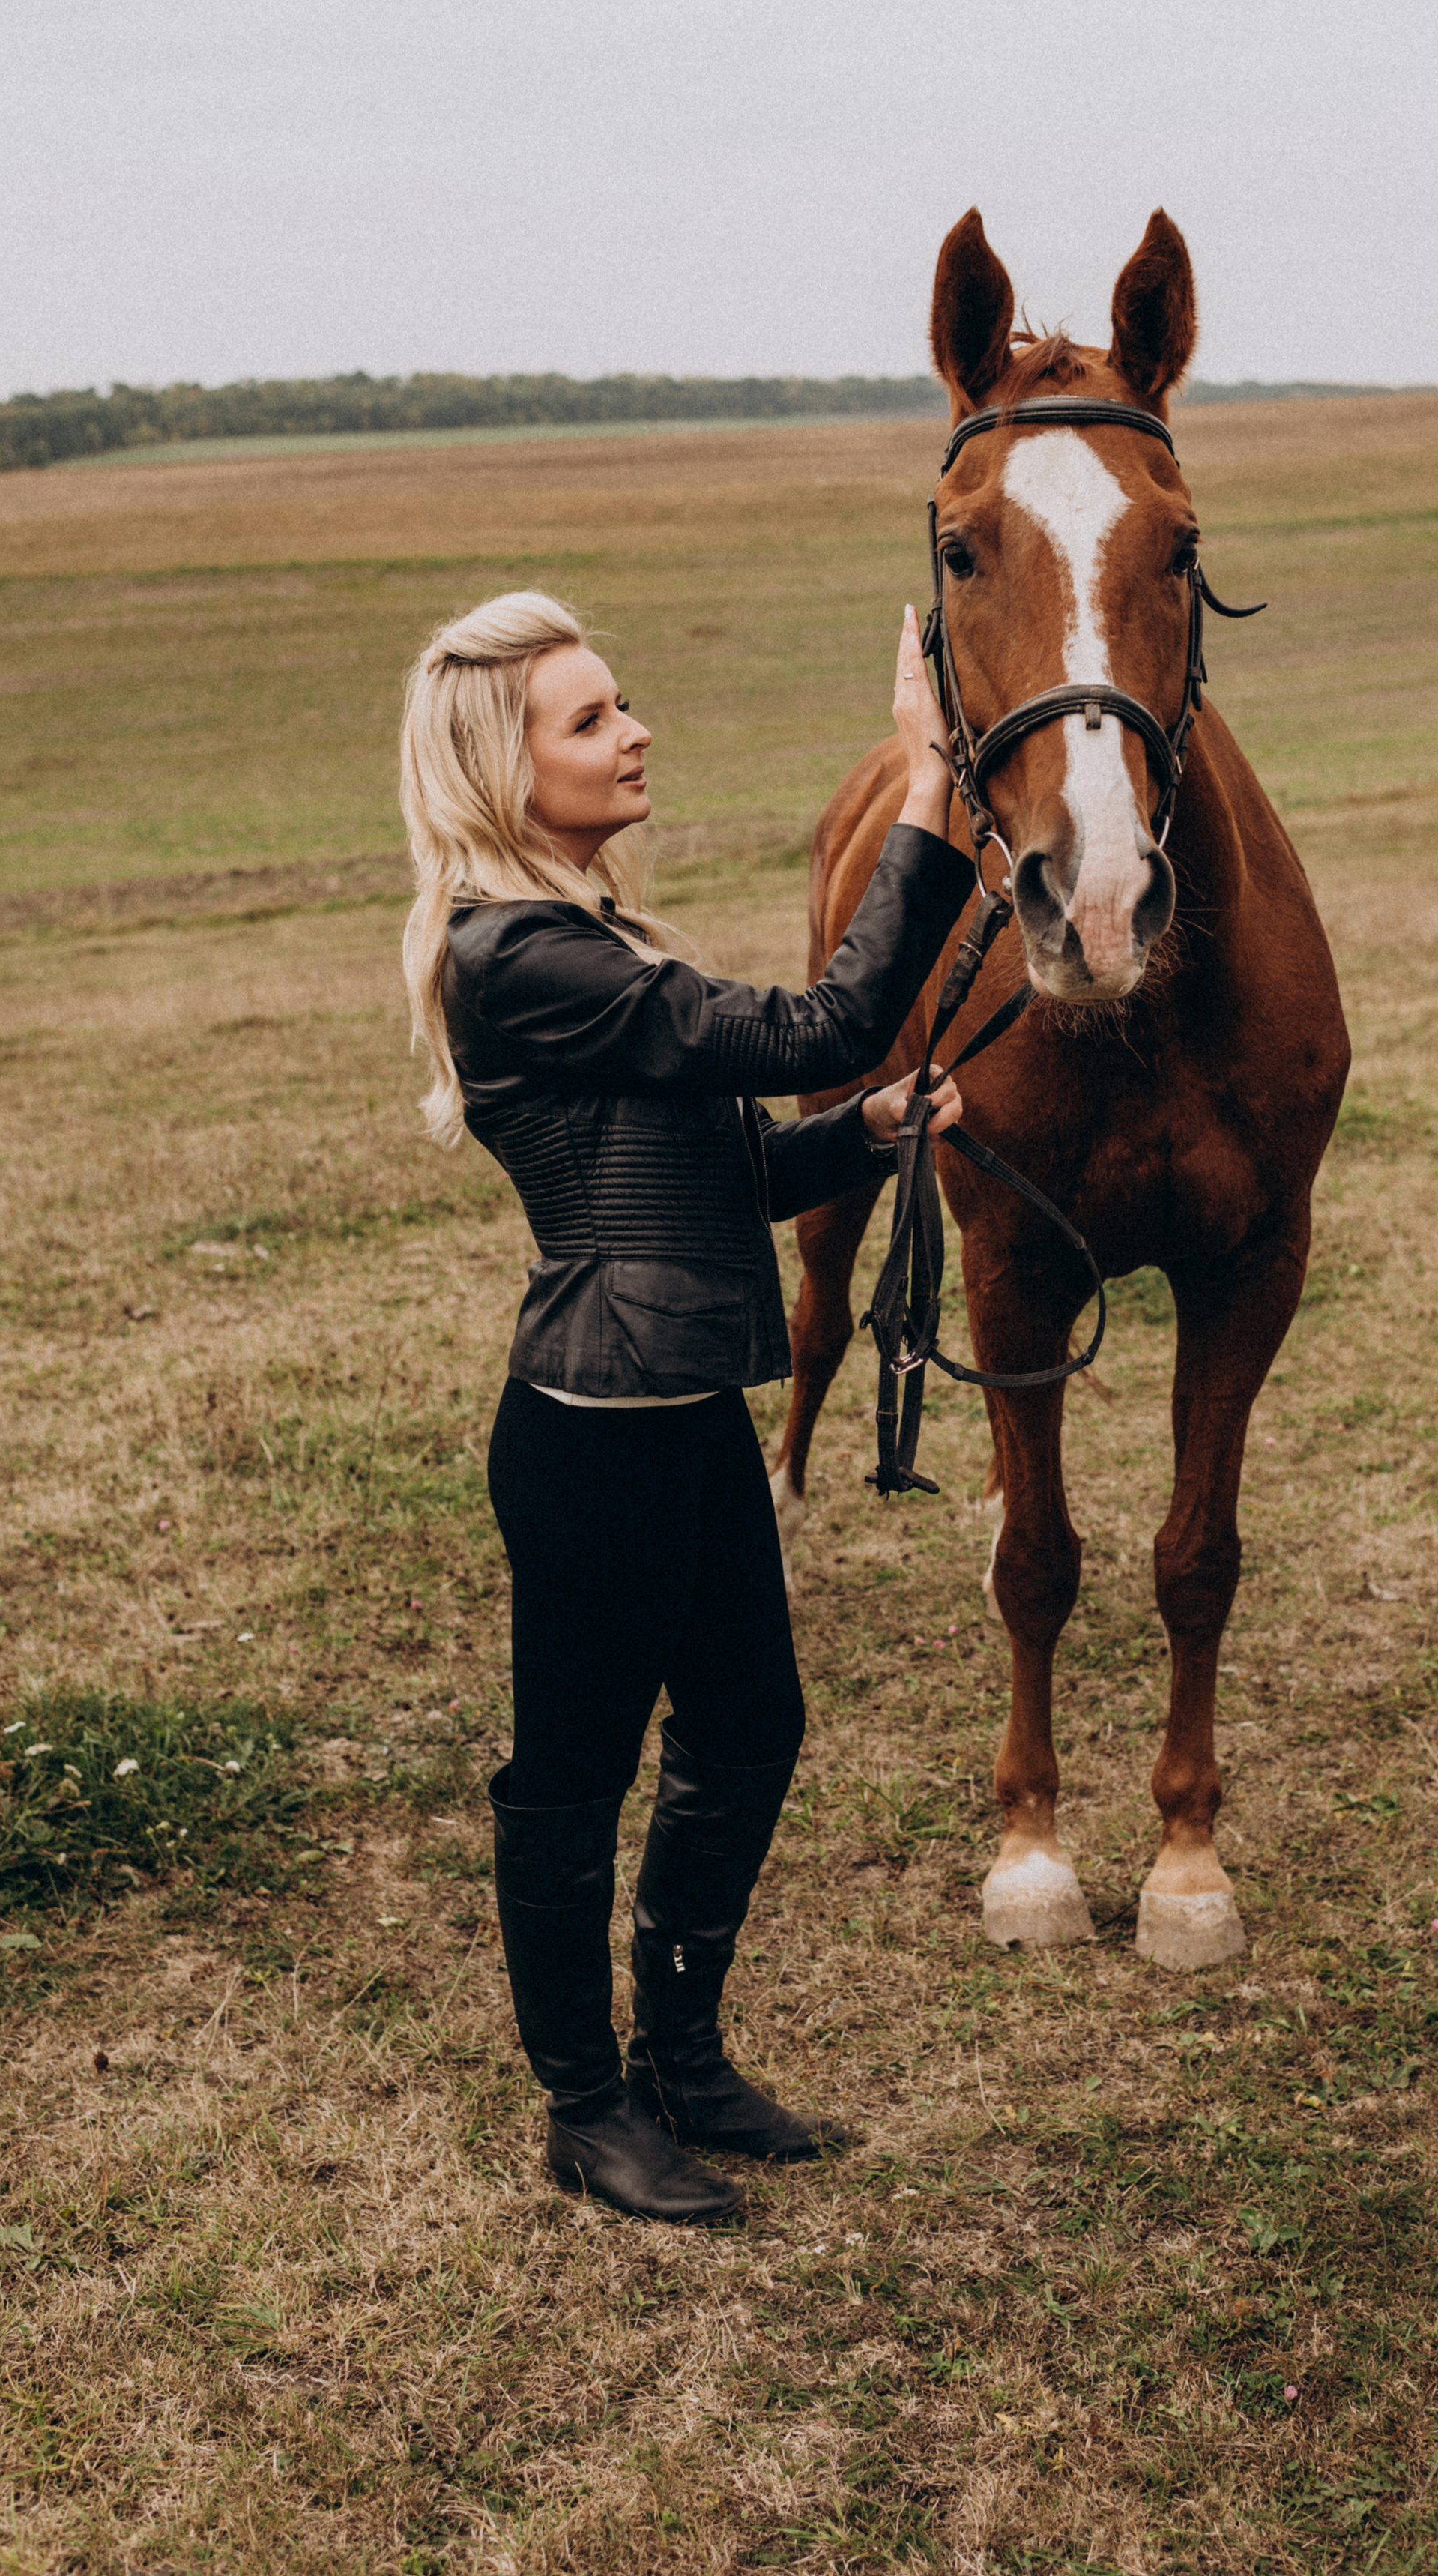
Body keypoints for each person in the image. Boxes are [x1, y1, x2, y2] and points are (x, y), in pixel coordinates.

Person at [398, 588, 974, 2223]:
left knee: (750, 1726)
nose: (633, 730)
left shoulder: (593, 939)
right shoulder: (515, 955)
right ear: (500, 769)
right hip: (590, 1430)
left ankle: (682, 2058)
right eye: (588, 720)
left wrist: (862, 1132)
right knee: (570, 1774)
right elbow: (821, 1019)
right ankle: (588, 2107)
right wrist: (927, 777)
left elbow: (720, 1167)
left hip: (679, 1405)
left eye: (621, 703)